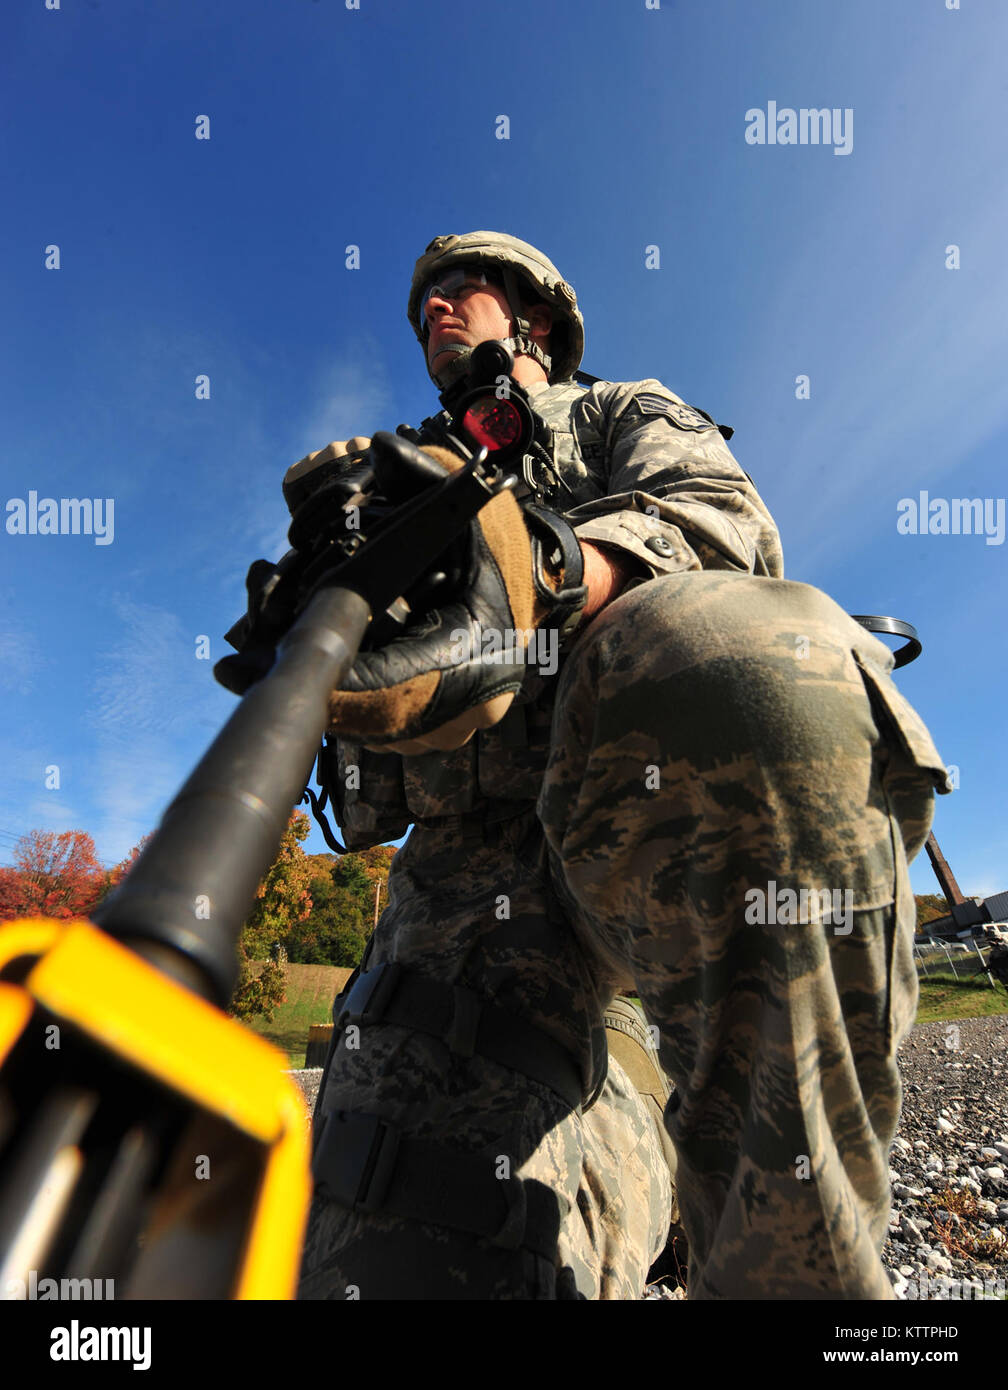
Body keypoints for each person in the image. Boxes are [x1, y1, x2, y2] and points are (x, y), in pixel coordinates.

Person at [276, 231, 949, 1299]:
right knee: (402, 1247)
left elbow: (725, 530)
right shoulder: (402, 473)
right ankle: (635, 1111)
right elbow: (370, 799)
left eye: (465, 289)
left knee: (755, 663)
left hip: (643, 810)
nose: (437, 309)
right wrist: (336, 656)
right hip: (470, 876)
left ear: (536, 320)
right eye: (422, 307)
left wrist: (543, 571)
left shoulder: (620, 411)